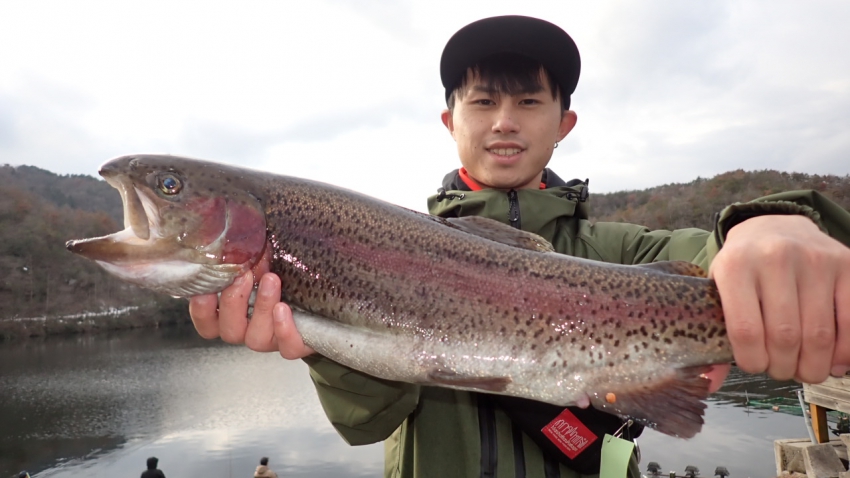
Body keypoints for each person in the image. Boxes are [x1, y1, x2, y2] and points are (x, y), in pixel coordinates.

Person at [189, 15, 850, 478]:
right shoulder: (381, 248)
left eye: (529, 102)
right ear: (450, 120)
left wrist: (773, 222)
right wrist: (320, 347)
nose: (504, 121)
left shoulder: (617, 250)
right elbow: (365, 425)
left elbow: (720, 257)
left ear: (564, 122)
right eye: (482, 103)